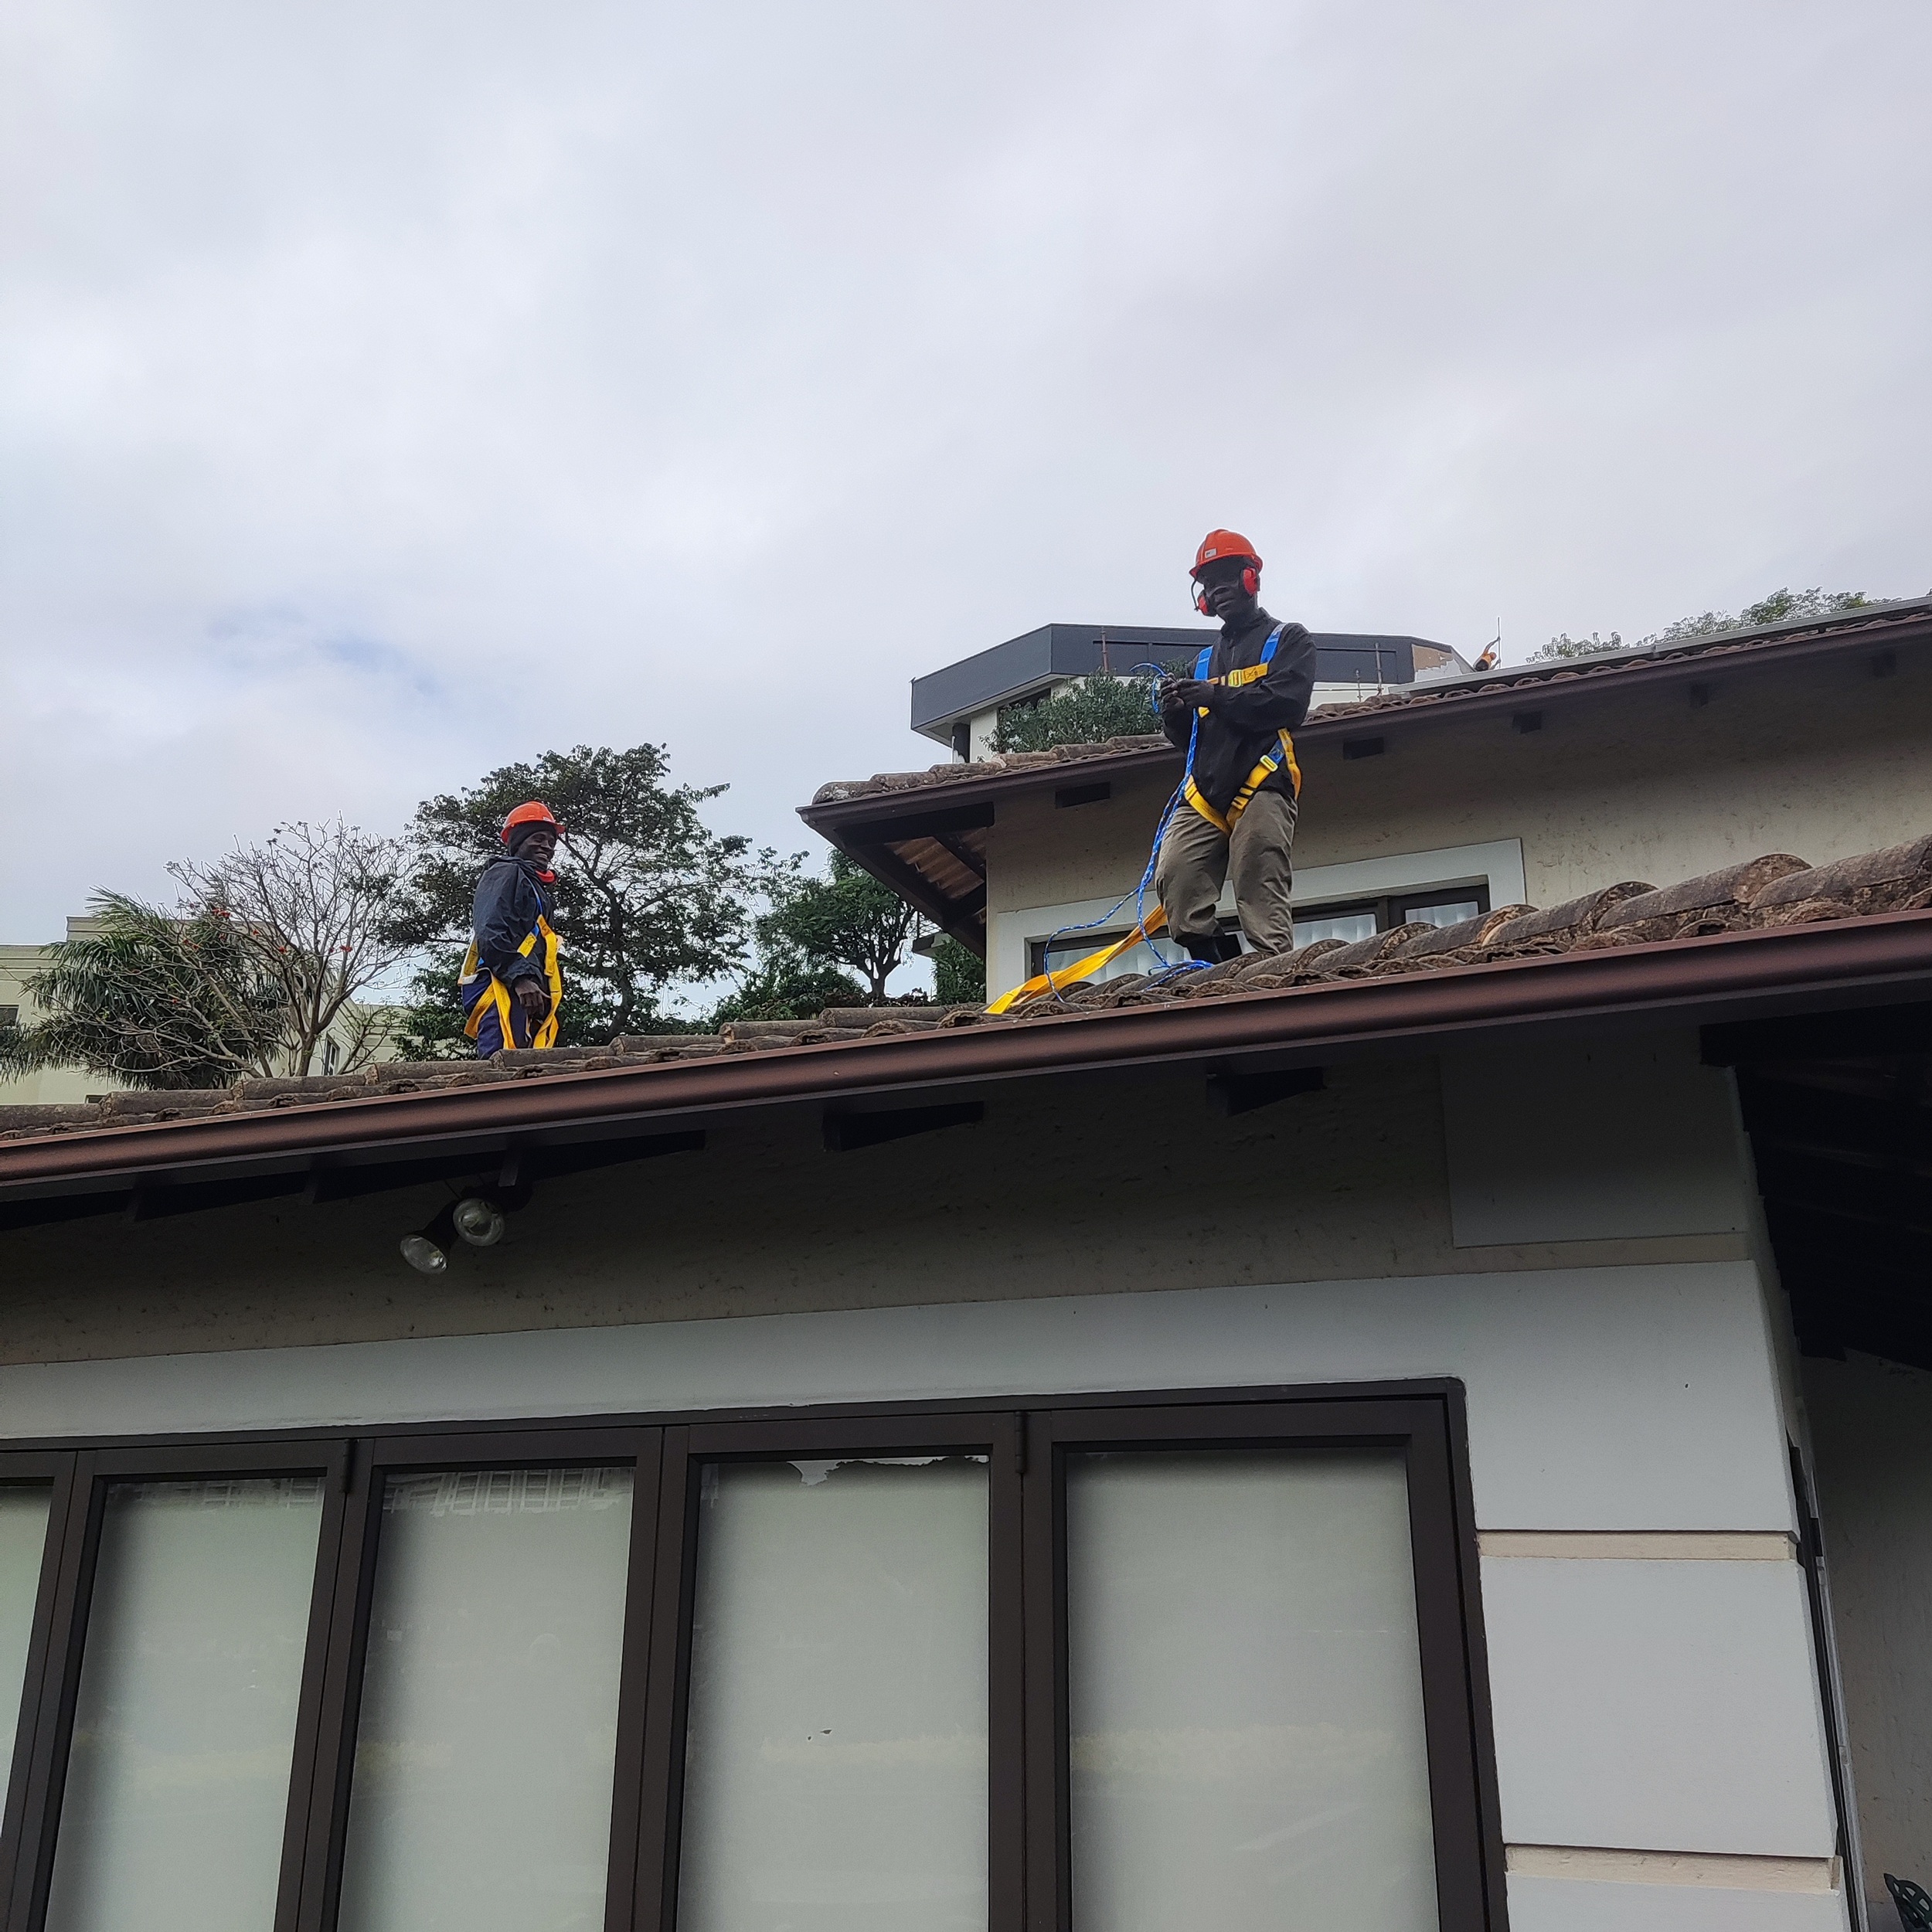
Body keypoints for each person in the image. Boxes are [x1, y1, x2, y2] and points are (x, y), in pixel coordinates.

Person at [1153, 529, 1315, 960]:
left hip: (1262, 782)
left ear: (1251, 579)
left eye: (1226, 577)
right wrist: (1175, 713)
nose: (1217, 589)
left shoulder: (1288, 640)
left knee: (1259, 880)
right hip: (1204, 793)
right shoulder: (1202, 662)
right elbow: (1189, 741)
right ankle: (1218, 965)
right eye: (1208, 584)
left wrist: (1214, 696)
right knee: (1177, 877)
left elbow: (1287, 705)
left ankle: (1272, 974)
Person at [459, 801, 566, 1056]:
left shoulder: (533, 886)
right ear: (517, 842)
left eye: (551, 842)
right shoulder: (505, 872)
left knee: (524, 1064)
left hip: (522, 987)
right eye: (538, 839)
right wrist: (521, 978)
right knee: (502, 1064)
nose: (547, 847)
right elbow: (491, 929)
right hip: (501, 984)